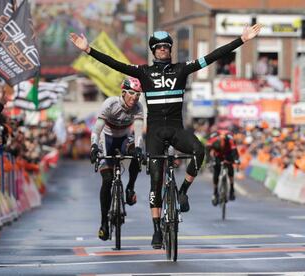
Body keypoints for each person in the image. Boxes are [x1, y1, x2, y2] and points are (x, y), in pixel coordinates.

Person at [69, 23, 262, 249]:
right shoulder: (143, 72)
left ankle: (182, 192)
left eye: (166, 46)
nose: (163, 49)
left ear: (170, 50)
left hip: (177, 129)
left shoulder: (182, 69)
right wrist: (88, 49)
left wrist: (241, 40)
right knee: (155, 180)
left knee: (200, 151)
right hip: (156, 133)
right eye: (159, 47)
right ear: (153, 51)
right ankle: (156, 229)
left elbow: (212, 57)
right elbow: (115, 64)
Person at [89, 77, 144, 241]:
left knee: (136, 151)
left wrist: (139, 149)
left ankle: (130, 188)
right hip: (106, 139)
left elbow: (139, 132)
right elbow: (96, 130)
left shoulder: (138, 108)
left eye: (138, 96)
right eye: (132, 94)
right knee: (107, 180)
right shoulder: (110, 104)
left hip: (124, 139)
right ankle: (104, 222)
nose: (134, 99)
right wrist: (93, 146)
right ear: (123, 92)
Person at [206, 128, 240, 205]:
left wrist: (236, 160)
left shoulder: (230, 140)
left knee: (230, 168)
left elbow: (235, 152)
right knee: (216, 172)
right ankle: (215, 193)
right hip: (218, 155)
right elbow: (207, 151)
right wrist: (208, 161)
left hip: (228, 153)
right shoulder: (212, 140)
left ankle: (232, 189)